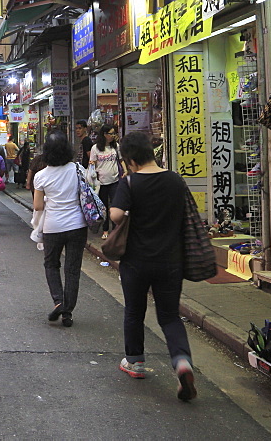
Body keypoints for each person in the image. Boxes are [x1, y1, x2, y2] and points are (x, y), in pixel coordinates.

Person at [109, 131, 196, 401]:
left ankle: (134, 362)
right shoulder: (175, 180)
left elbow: (115, 215)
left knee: (135, 311)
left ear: (129, 159)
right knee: (169, 316)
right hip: (171, 259)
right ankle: (182, 362)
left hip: (136, 261)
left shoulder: (130, 183)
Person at [32, 131, 87, 328]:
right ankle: (67, 311)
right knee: (73, 270)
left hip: (53, 226)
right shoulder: (78, 169)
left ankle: (59, 301)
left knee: (51, 264)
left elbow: (38, 206)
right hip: (78, 225)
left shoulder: (41, 176)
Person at [88, 123, 124, 238]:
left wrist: (126, 170)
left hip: (115, 180)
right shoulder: (95, 148)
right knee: (103, 207)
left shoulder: (115, 146)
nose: (113, 136)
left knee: (114, 205)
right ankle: (105, 230)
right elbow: (92, 163)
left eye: (114, 133)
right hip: (101, 183)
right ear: (104, 134)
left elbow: (121, 159)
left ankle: (114, 230)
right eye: (111, 134)